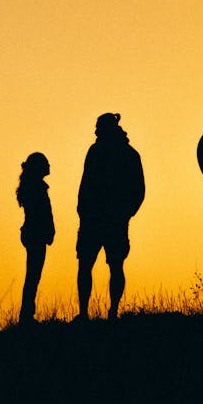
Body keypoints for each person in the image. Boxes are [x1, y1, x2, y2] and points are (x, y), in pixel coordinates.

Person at [76, 113, 145, 320]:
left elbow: (138, 191)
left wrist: (125, 213)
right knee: (105, 265)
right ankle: (99, 312)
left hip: (103, 220)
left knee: (100, 265)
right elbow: (86, 183)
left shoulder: (102, 152)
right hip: (101, 219)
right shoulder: (126, 154)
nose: (95, 131)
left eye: (98, 127)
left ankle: (100, 312)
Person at [16, 152, 55, 324]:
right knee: (33, 275)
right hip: (35, 234)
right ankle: (26, 315)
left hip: (33, 233)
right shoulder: (36, 188)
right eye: (46, 163)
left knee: (32, 275)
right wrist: (47, 231)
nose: (49, 166)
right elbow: (41, 213)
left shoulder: (33, 186)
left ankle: (27, 314)